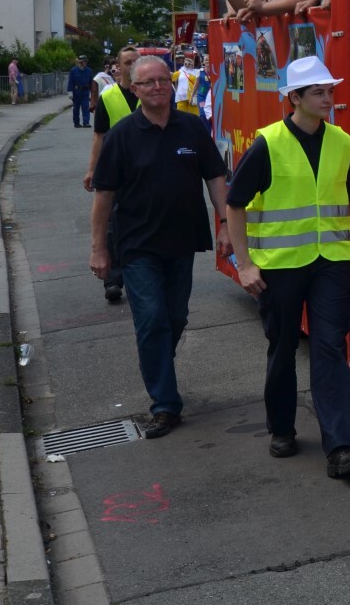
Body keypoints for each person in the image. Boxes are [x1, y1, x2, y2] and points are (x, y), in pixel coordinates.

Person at [225, 55, 350, 479]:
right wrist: (244, 264)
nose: (328, 99)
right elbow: (235, 205)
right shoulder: (267, 144)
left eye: (330, 91)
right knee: (283, 346)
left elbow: (344, 205)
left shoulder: (343, 142)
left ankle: (342, 447)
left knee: (330, 347)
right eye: (318, 92)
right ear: (295, 98)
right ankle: (282, 428)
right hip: (279, 266)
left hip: (331, 264)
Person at [90, 55, 231, 439]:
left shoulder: (192, 127)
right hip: (137, 246)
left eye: (163, 81)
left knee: (175, 318)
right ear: (134, 89)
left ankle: (157, 364)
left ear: (171, 84)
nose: (157, 87)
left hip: (182, 241)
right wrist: (99, 248)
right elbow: (103, 196)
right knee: (152, 318)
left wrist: (225, 225)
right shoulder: (122, 135)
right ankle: (165, 405)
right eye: (148, 82)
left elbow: (215, 177)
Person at [86, 45, 140, 303]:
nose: (132, 66)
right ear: (118, 67)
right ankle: (113, 279)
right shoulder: (108, 97)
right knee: (112, 224)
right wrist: (92, 169)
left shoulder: (153, 91)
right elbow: (99, 135)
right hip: (116, 168)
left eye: (136, 61)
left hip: (146, 169)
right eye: (127, 62)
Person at [67, 54, 94, 128]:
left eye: (86, 61)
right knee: (76, 108)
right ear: (80, 62)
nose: (86, 63)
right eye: (84, 61)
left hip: (85, 91)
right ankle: (76, 123)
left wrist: (92, 92)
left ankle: (86, 122)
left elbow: (91, 82)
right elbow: (71, 82)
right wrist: (70, 92)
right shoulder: (73, 71)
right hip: (76, 92)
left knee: (86, 107)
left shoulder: (89, 71)